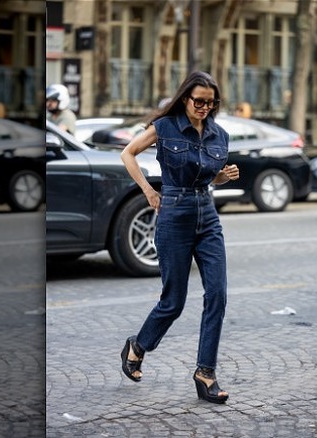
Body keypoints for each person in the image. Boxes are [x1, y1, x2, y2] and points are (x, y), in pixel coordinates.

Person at [119, 71, 240, 404]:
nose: (203, 107)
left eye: (209, 102)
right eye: (197, 101)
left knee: (217, 293)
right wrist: (147, 191)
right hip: (174, 212)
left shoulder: (220, 134)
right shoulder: (165, 127)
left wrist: (223, 177)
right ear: (186, 98)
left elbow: (208, 176)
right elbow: (127, 153)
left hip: (207, 214)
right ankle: (138, 345)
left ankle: (205, 373)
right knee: (173, 301)